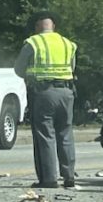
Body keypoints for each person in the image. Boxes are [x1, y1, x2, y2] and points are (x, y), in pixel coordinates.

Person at [14, 11, 78, 188]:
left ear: (37, 27)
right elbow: (72, 68)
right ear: (54, 26)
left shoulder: (33, 42)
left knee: (45, 135)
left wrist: (31, 75)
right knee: (65, 133)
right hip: (66, 92)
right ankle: (69, 176)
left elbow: (19, 69)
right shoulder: (68, 44)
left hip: (44, 93)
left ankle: (49, 179)